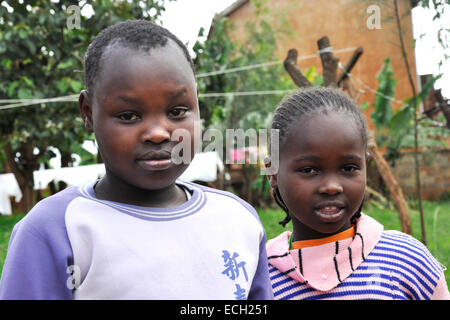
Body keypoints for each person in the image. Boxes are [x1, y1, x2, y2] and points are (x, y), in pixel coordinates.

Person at [0, 20, 273, 300]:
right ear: (88, 113)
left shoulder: (238, 220)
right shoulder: (54, 230)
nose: (157, 133)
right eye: (129, 116)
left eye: (178, 111)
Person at [264, 87, 449, 300]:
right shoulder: (262, 281)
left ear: (366, 166)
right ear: (273, 171)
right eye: (309, 170)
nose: (332, 186)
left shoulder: (405, 261)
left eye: (348, 168)